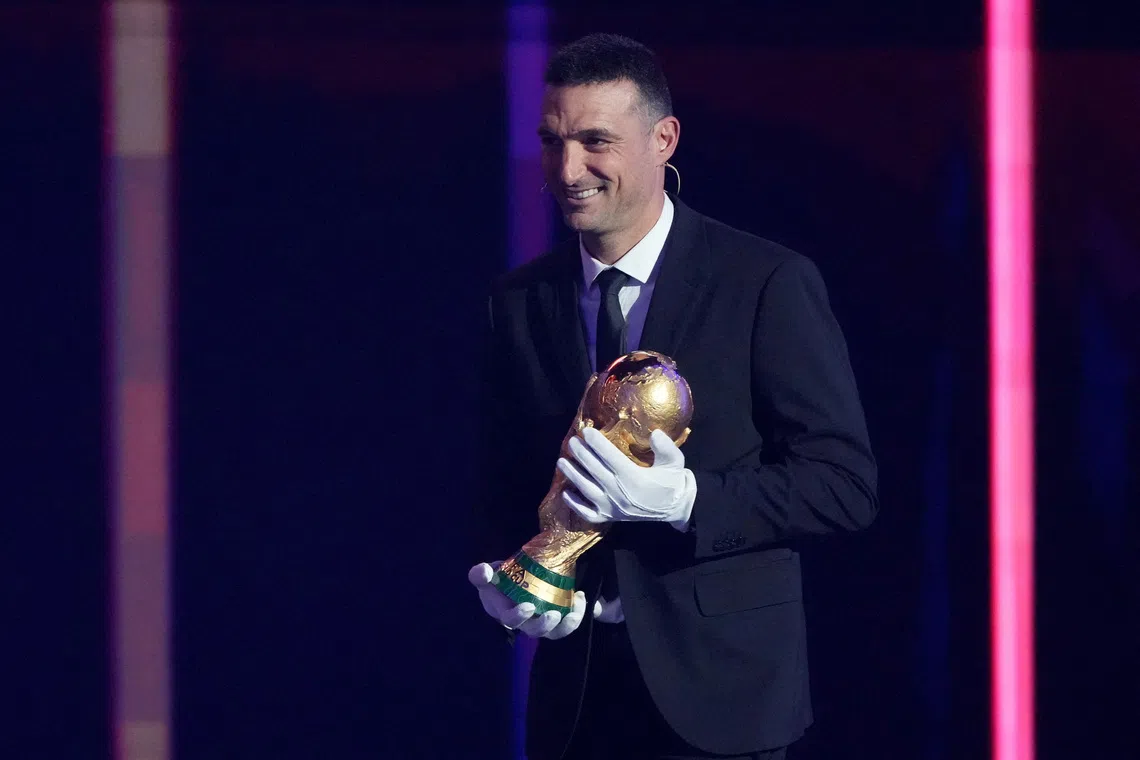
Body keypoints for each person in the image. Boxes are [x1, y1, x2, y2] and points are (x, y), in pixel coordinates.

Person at [469, 33, 878, 760]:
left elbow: (843, 486)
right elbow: (502, 477)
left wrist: (687, 501)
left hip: (723, 697)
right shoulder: (519, 301)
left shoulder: (764, 283)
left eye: (596, 141)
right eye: (553, 140)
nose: (567, 170)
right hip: (578, 698)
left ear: (664, 139)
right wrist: (511, 577)